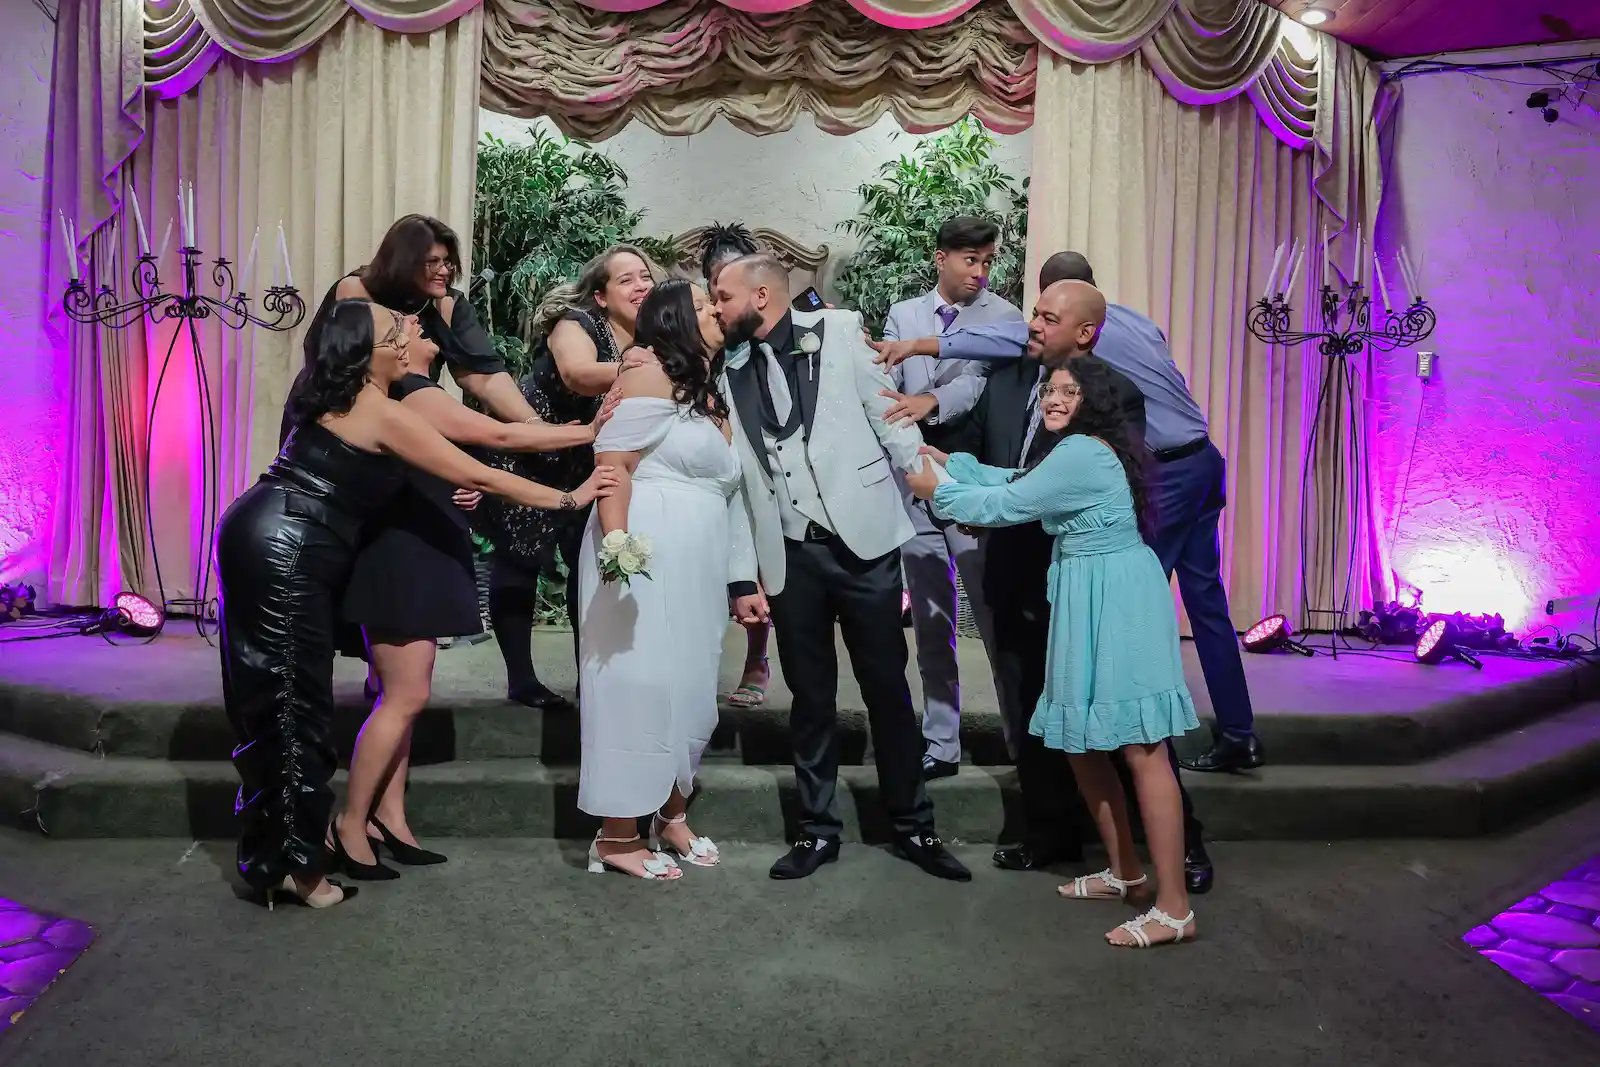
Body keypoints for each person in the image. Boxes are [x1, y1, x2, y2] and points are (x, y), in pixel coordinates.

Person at [218, 300, 616, 909]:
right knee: (290, 706)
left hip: (280, 536)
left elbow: (448, 469)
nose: (407, 333)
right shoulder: (379, 407)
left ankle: (283, 856)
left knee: (279, 702)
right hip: (287, 541)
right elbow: (486, 470)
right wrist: (570, 498)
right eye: (394, 329)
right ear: (366, 349)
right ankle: (301, 871)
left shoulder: (356, 399)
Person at [873, 251, 1263, 775]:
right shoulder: (1139, 322)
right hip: (1202, 459)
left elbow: (994, 349)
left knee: (1127, 624)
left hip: (1162, 473)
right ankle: (1239, 732)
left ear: (1077, 318)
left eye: (1045, 314)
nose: (1034, 324)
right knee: (1207, 605)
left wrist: (913, 346)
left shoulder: (1081, 365)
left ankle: (1141, 763)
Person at [906, 355, 1200, 948]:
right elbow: (1016, 483)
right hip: (1086, 590)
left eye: (1070, 391)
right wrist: (953, 464)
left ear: (1095, 401)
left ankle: (1174, 908)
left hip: (1116, 599)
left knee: (1143, 749)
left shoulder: (1085, 452)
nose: (1055, 400)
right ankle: (1126, 873)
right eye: (1052, 391)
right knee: (1083, 745)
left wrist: (939, 492)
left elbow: (1009, 508)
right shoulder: (1073, 453)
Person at [712, 253, 969, 882]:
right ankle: (816, 830)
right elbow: (745, 485)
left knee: (887, 686)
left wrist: (934, 487)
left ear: (763, 295)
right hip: (791, 554)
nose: (715, 308)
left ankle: (914, 826)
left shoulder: (840, 330)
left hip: (865, 544)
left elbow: (890, 419)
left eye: (722, 296)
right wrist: (744, 575)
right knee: (811, 696)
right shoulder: (731, 369)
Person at [578, 279, 741, 880]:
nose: (715, 311)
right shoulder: (646, 375)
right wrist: (617, 546)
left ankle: (670, 812)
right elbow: (613, 465)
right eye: (701, 306)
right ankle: (617, 836)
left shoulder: (709, 392)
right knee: (637, 682)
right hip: (642, 552)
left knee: (689, 686)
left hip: (697, 565)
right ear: (673, 321)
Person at [480, 245, 656, 709]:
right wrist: (642, 370)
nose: (641, 286)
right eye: (627, 280)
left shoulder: (654, 337)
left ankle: (592, 678)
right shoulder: (575, 324)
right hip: (536, 449)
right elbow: (577, 375)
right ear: (600, 296)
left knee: (590, 563)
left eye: (645, 277)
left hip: (588, 458)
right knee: (520, 559)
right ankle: (521, 679)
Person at [880, 216, 1017, 779]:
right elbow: (891, 387)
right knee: (931, 620)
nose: (980, 272)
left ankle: (1021, 743)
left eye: (988, 261)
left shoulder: (1004, 317)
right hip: (914, 480)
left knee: (991, 618)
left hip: (970, 476)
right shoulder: (903, 314)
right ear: (941, 258)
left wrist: (927, 403)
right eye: (970, 260)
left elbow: (974, 382)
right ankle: (941, 743)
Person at [699, 224, 772, 711]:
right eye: (713, 281)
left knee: (759, 557)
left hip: (760, 452)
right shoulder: (702, 322)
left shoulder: (763, 333)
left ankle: (757, 659)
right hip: (709, 449)